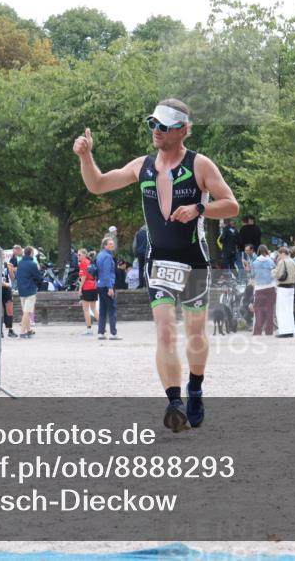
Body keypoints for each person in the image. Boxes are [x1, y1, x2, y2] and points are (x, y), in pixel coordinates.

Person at [73, 98, 239, 432]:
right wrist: (86, 156)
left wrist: (200, 210)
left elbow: (231, 205)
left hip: (194, 260)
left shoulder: (200, 165)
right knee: (164, 331)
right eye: (153, 124)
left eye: (163, 126)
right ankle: (174, 402)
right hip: (160, 259)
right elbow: (98, 184)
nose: (156, 131)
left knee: (194, 332)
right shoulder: (143, 165)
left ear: (183, 130)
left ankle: (195, 387)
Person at [95, 237, 120, 340]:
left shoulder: (100, 255)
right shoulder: (107, 257)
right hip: (107, 285)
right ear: (105, 245)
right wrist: (110, 287)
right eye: (110, 244)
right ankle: (113, 333)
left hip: (100, 285)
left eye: (112, 243)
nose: (112, 245)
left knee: (103, 309)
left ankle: (101, 332)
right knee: (112, 309)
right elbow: (107, 273)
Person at [16, 246, 43, 339]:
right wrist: (37, 284)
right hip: (30, 290)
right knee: (27, 313)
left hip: (21, 290)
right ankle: (22, 333)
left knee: (25, 311)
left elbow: (18, 277)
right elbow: (39, 277)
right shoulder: (32, 264)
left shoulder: (20, 263)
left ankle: (29, 330)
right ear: (31, 253)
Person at [273, 246, 295, 338]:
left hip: (283, 288)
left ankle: (284, 331)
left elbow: (277, 274)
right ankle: (290, 330)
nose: (279, 256)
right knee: (289, 310)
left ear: (283, 253)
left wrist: (272, 271)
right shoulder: (293, 261)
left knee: (281, 310)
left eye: (279, 254)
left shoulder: (282, 262)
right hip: (291, 287)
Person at [250, 245, 276, 336]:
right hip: (270, 287)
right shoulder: (271, 262)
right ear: (266, 251)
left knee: (258, 310)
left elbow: (252, 275)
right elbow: (274, 274)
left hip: (259, 288)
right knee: (270, 309)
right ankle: (269, 331)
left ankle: (257, 331)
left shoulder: (254, 263)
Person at [77, 248, 98, 335]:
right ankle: (102, 327)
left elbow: (83, 277)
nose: (78, 256)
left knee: (86, 309)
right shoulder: (90, 262)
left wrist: (80, 288)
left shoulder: (83, 263)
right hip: (94, 286)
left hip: (87, 287)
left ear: (85, 255)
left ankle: (89, 329)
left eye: (79, 255)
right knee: (93, 308)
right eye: (77, 255)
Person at [1, 252, 17, 338]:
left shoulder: (7, 264)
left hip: (7, 289)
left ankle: (10, 330)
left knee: (9, 309)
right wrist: (5, 284)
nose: (3, 256)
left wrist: (11, 270)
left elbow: (12, 277)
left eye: (3, 255)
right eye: (1, 255)